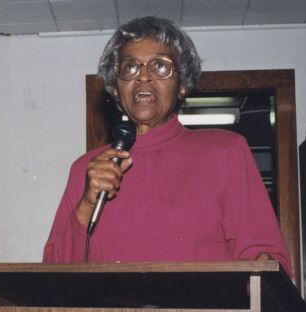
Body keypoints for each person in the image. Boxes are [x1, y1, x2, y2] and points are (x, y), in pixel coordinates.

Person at [43, 16, 292, 276]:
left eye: (160, 66)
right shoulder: (87, 168)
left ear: (182, 85)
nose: (143, 77)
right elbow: (51, 276)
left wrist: (259, 269)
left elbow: (269, 258)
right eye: (129, 67)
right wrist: (85, 204)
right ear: (116, 89)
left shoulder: (224, 152)